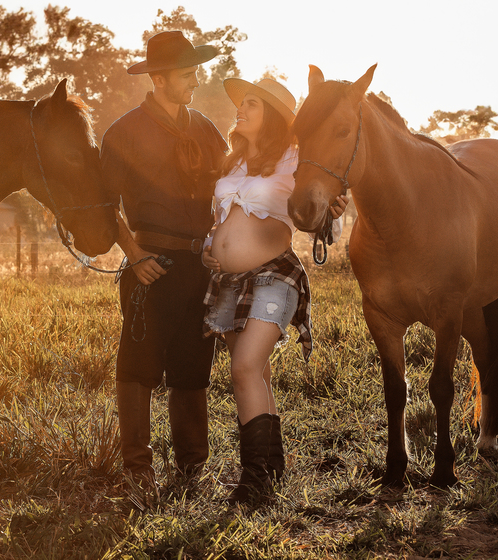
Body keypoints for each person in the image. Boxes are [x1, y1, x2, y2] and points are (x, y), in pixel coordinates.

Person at [201, 76, 348, 504]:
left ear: (274, 116)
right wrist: (210, 247)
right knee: (257, 373)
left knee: (245, 368)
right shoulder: (232, 163)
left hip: (274, 275)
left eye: (252, 104)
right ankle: (272, 465)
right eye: (241, 103)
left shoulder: (295, 160)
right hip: (228, 281)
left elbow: (327, 212)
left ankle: (254, 480)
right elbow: (221, 219)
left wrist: (333, 212)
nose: (240, 109)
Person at [100, 30, 229, 498]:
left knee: (193, 368)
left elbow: (233, 184)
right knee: (138, 368)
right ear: (158, 79)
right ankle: (137, 468)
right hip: (151, 266)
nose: (196, 81)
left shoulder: (206, 128)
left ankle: (192, 469)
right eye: (187, 74)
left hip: (202, 265)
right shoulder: (124, 132)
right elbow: (104, 204)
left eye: (196, 72)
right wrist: (134, 255)